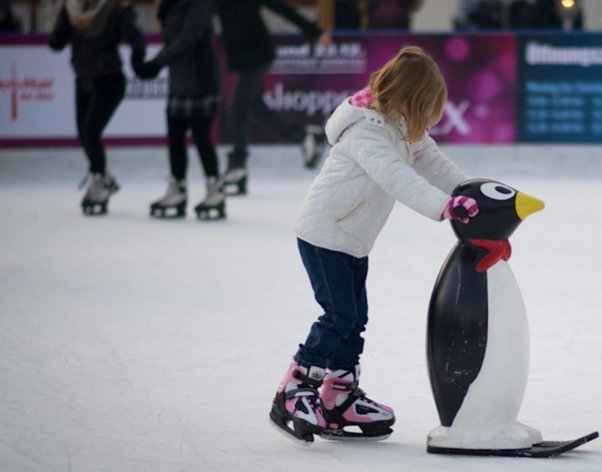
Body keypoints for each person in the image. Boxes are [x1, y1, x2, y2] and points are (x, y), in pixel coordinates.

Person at [269, 46, 479, 444]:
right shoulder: (367, 130)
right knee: (339, 316)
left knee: (355, 318)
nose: (433, 116)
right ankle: (293, 388)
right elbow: (395, 176)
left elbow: (436, 166)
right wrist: (444, 206)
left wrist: (474, 191)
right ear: (413, 99)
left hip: (353, 238)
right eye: (431, 105)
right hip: (325, 233)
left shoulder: (402, 127)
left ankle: (338, 395)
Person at [214, 0, 332, 195]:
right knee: (255, 107)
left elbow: (282, 9)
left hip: (257, 54)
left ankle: (237, 165)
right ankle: (304, 136)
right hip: (243, 57)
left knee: (238, 107)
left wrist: (316, 32)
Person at [48, 0, 146, 215]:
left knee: (91, 131)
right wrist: (57, 28)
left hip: (109, 79)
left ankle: (100, 179)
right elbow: (56, 42)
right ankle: (102, 176)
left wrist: (139, 62)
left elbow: (136, 39)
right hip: (83, 78)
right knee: (84, 133)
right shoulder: (71, 9)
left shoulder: (112, 9)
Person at [137, 0, 225, 220]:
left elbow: (189, 38)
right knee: (175, 137)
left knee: (200, 137)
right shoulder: (168, 6)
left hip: (200, 79)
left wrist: (157, 62)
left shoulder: (199, 4)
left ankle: (215, 190)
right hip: (179, 79)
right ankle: (177, 189)